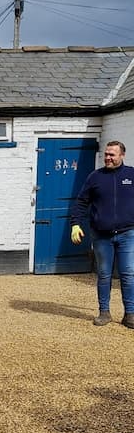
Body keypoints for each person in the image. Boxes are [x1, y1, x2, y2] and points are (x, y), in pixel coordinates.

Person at [71, 140, 134, 327]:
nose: (107, 158)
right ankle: (104, 312)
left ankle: (130, 314)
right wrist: (75, 224)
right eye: (106, 154)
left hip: (127, 234)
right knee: (104, 274)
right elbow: (81, 202)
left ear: (122, 155)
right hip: (101, 235)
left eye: (112, 155)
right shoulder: (95, 177)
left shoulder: (132, 175)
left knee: (128, 274)